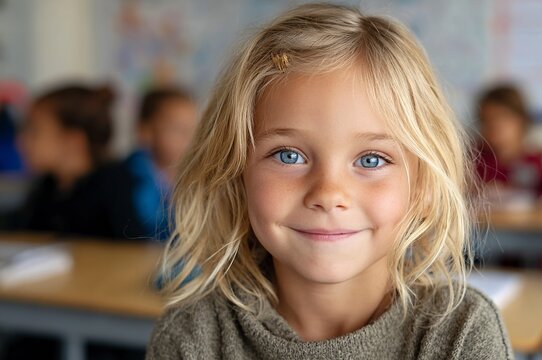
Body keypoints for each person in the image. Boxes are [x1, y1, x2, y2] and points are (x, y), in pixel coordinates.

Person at [147, 4, 513, 359]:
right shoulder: (192, 335)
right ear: (236, 172)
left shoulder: (461, 334)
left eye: (371, 160)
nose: (328, 194)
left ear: (422, 186)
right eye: (288, 155)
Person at [5, 84, 149, 239]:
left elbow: (132, 250)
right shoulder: (48, 187)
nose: (20, 141)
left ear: (73, 141)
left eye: (34, 131)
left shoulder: (113, 186)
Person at [122, 87, 197, 240]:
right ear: (145, 131)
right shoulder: (125, 178)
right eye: (178, 129)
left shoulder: (197, 176)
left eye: (193, 129)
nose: (188, 138)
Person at [475, 84, 542, 202]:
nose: (495, 126)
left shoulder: (534, 161)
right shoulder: (476, 160)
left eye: (503, 118)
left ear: (522, 122)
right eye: (487, 120)